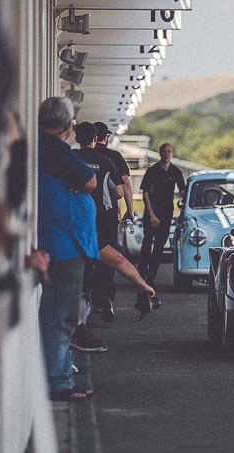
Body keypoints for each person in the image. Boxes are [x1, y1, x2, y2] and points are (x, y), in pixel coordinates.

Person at [36, 96, 99, 401]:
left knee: (57, 313)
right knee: (61, 315)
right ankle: (58, 382)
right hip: (63, 242)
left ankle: (56, 376)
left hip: (60, 240)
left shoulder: (40, 146)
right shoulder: (54, 149)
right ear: (68, 125)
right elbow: (90, 181)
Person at [74, 122, 159, 321]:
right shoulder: (108, 160)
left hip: (75, 219)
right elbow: (120, 190)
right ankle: (106, 297)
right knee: (110, 257)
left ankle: (84, 299)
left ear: (77, 138)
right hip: (105, 217)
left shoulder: (70, 158)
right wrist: (129, 210)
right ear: (97, 138)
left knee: (81, 259)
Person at [138, 142, 186, 284]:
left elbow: (183, 191)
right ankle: (141, 273)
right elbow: (145, 193)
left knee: (159, 247)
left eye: (169, 151)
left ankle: (151, 277)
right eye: (164, 151)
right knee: (147, 244)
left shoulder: (176, 172)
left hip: (166, 213)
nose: (166, 154)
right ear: (160, 153)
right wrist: (152, 215)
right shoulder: (152, 171)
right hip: (152, 211)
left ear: (172, 154)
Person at [93, 121, 136, 222]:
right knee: (107, 238)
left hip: (84, 210)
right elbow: (125, 183)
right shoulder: (115, 156)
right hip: (107, 211)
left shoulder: (81, 155)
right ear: (106, 137)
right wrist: (130, 210)